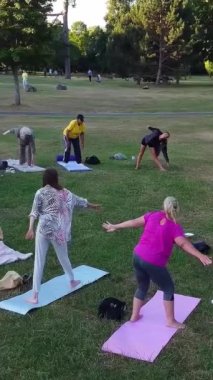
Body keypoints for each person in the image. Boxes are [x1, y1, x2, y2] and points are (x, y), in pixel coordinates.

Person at [103, 196, 212, 329]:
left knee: (142, 286)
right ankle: (171, 321)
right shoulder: (174, 226)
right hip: (153, 261)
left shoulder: (153, 215)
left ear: (164, 206)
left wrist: (115, 226)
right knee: (168, 288)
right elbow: (183, 243)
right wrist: (200, 255)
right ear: (177, 209)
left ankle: (134, 316)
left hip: (137, 255)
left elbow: (133, 222)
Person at [25, 168, 100, 304]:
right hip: (58, 231)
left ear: (45, 179)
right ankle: (71, 281)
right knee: (63, 257)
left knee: (39, 261)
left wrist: (31, 228)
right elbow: (80, 201)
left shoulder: (40, 192)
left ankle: (35, 295)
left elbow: (34, 212)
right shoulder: (66, 193)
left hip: (43, 229)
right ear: (56, 179)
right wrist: (93, 206)